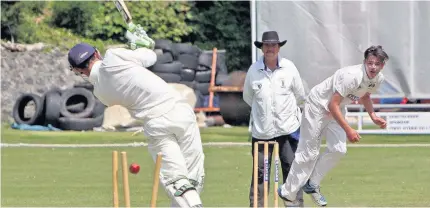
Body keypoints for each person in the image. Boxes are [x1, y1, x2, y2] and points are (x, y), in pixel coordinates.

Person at [67, 23, 205, 208]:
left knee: (176, 179)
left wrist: (137, 46)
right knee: (193, 174)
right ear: (96, 53)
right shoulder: (113, 56)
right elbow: (150, 57)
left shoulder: (100, 92)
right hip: (180, 112)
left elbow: (120, 73)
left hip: (155, 124)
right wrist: (141, 44)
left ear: (78, 71)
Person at [278, 45, 389, 207]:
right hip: (318, 105)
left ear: (382, 65)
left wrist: (373, 116)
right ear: (365, 62)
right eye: (370, 63)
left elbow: (365, 95)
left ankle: (312, 183)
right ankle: (287, 192)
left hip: (337, 108)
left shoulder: (378, 79)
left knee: (338, 149)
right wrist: (349, 129)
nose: (373, 67)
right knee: (309, 153)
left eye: (377, 64)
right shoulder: (352, 76)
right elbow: (332, 104)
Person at [243, 31, 306, 207]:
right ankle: (257, 205)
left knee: (291, 169)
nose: (270, 48)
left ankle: (294, 205)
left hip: (288, 129)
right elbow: (248, 97)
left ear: (278, 47)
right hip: (262, 132)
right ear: (262, 48)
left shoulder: (289, 67)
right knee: (260, 173)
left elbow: (300, 95)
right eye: (267, 45)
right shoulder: (254, 70)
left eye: (273, 45)